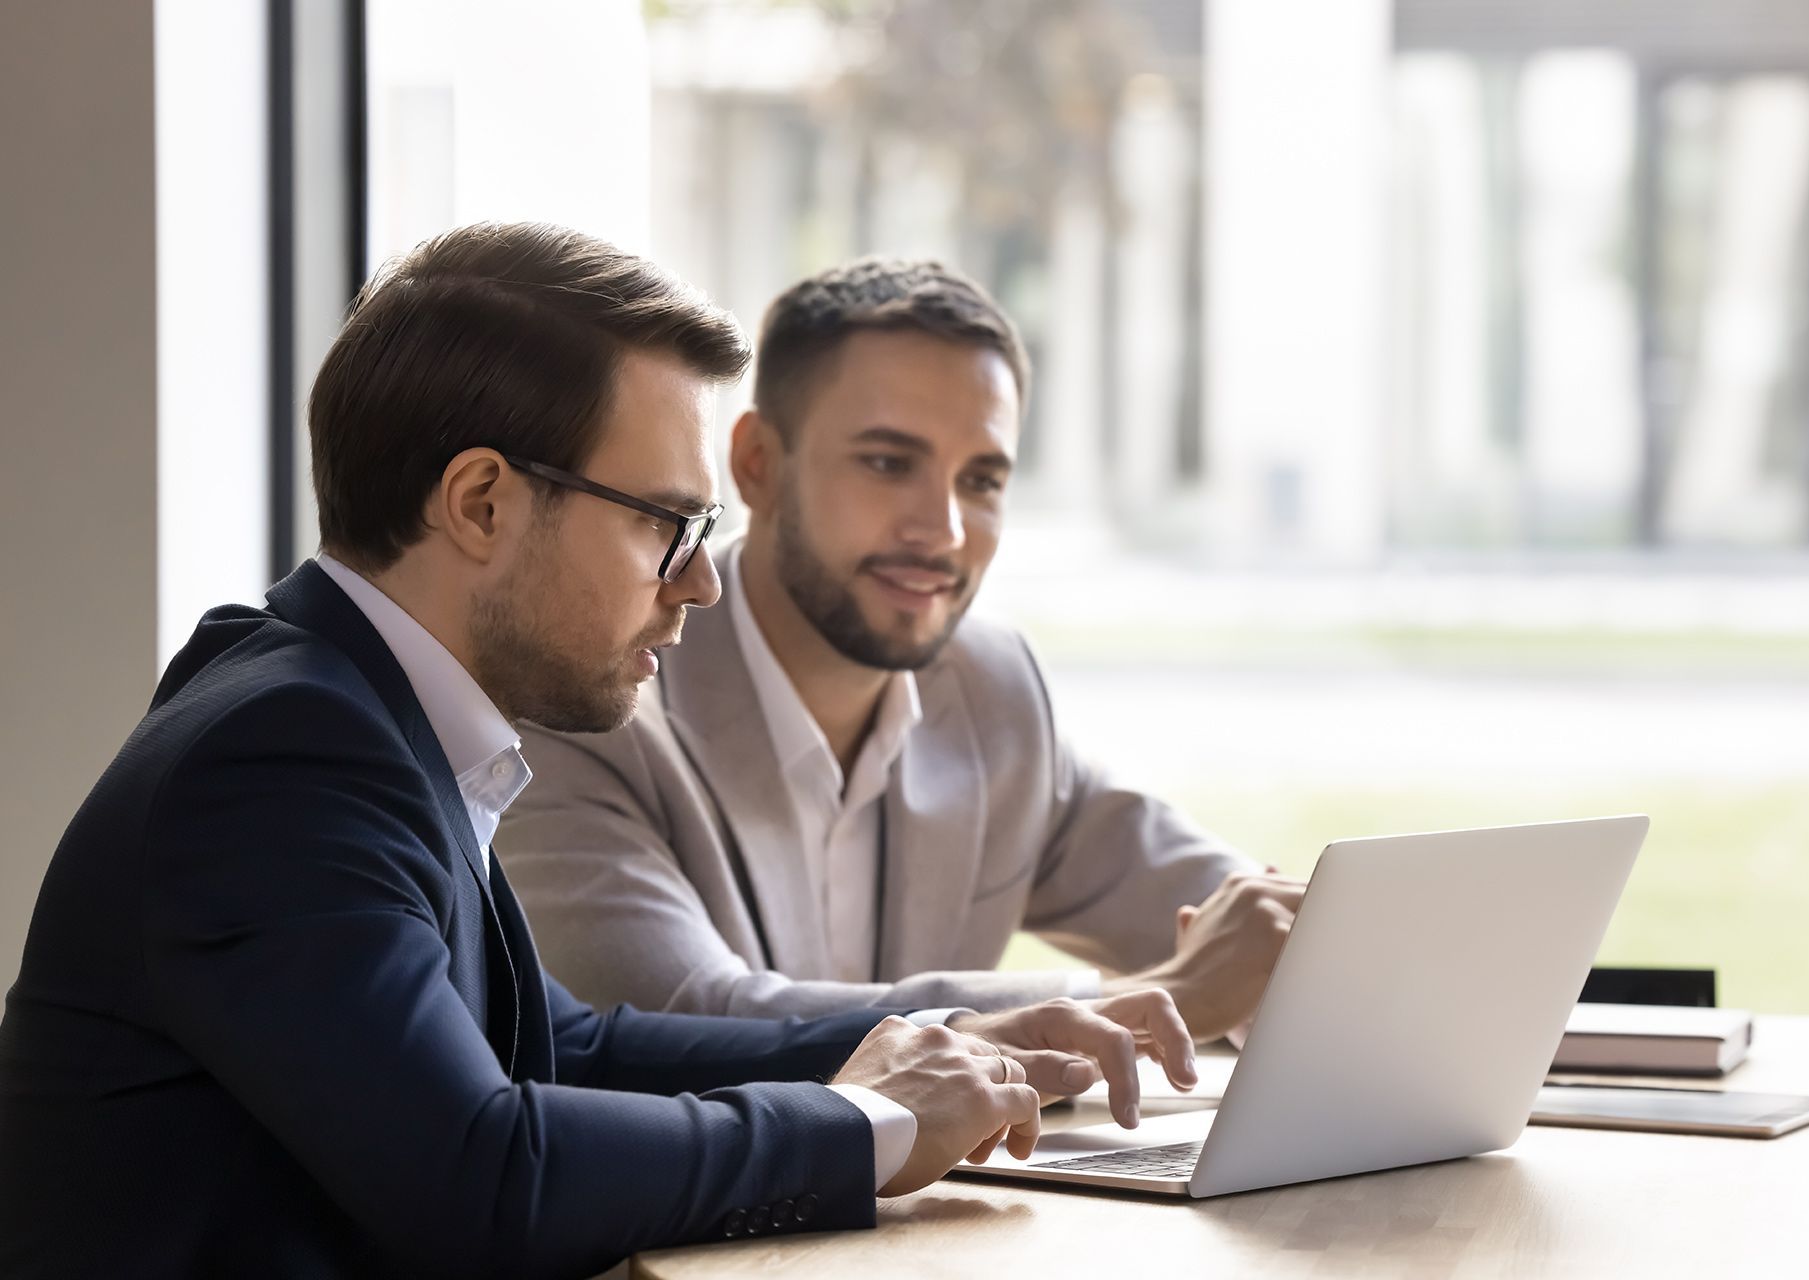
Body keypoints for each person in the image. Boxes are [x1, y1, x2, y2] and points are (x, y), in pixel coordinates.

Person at [0, 224, 1196, 1280]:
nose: (702, 580)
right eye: (666, 524)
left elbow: (564, 1045)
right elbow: (484, 1177)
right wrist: (870, 1124)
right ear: (479, 502)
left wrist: (936, 1044)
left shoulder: (346, 708)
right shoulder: (284, 758)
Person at [496, 258, 1305, 1044]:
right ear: (758, 466)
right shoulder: (592, 695)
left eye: (982, 481)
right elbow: (692, 1020)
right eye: (888, 464)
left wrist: (1308, 939)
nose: (943, 531)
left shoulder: (990, 689)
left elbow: (1238, 923)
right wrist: (1154, 1004)